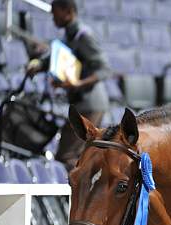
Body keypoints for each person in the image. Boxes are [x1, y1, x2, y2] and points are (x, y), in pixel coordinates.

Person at [27, 0, 110, 170]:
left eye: (55, 12)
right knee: (74, 155)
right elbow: (55, 59)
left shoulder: (83, 35)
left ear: (68, 11)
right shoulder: (69, 35)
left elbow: (104, 69)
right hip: (82, 104)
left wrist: (78, 84)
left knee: (67, 156)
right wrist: (39, 65)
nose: (52, 17)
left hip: (89, 104)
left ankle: (77, 194)